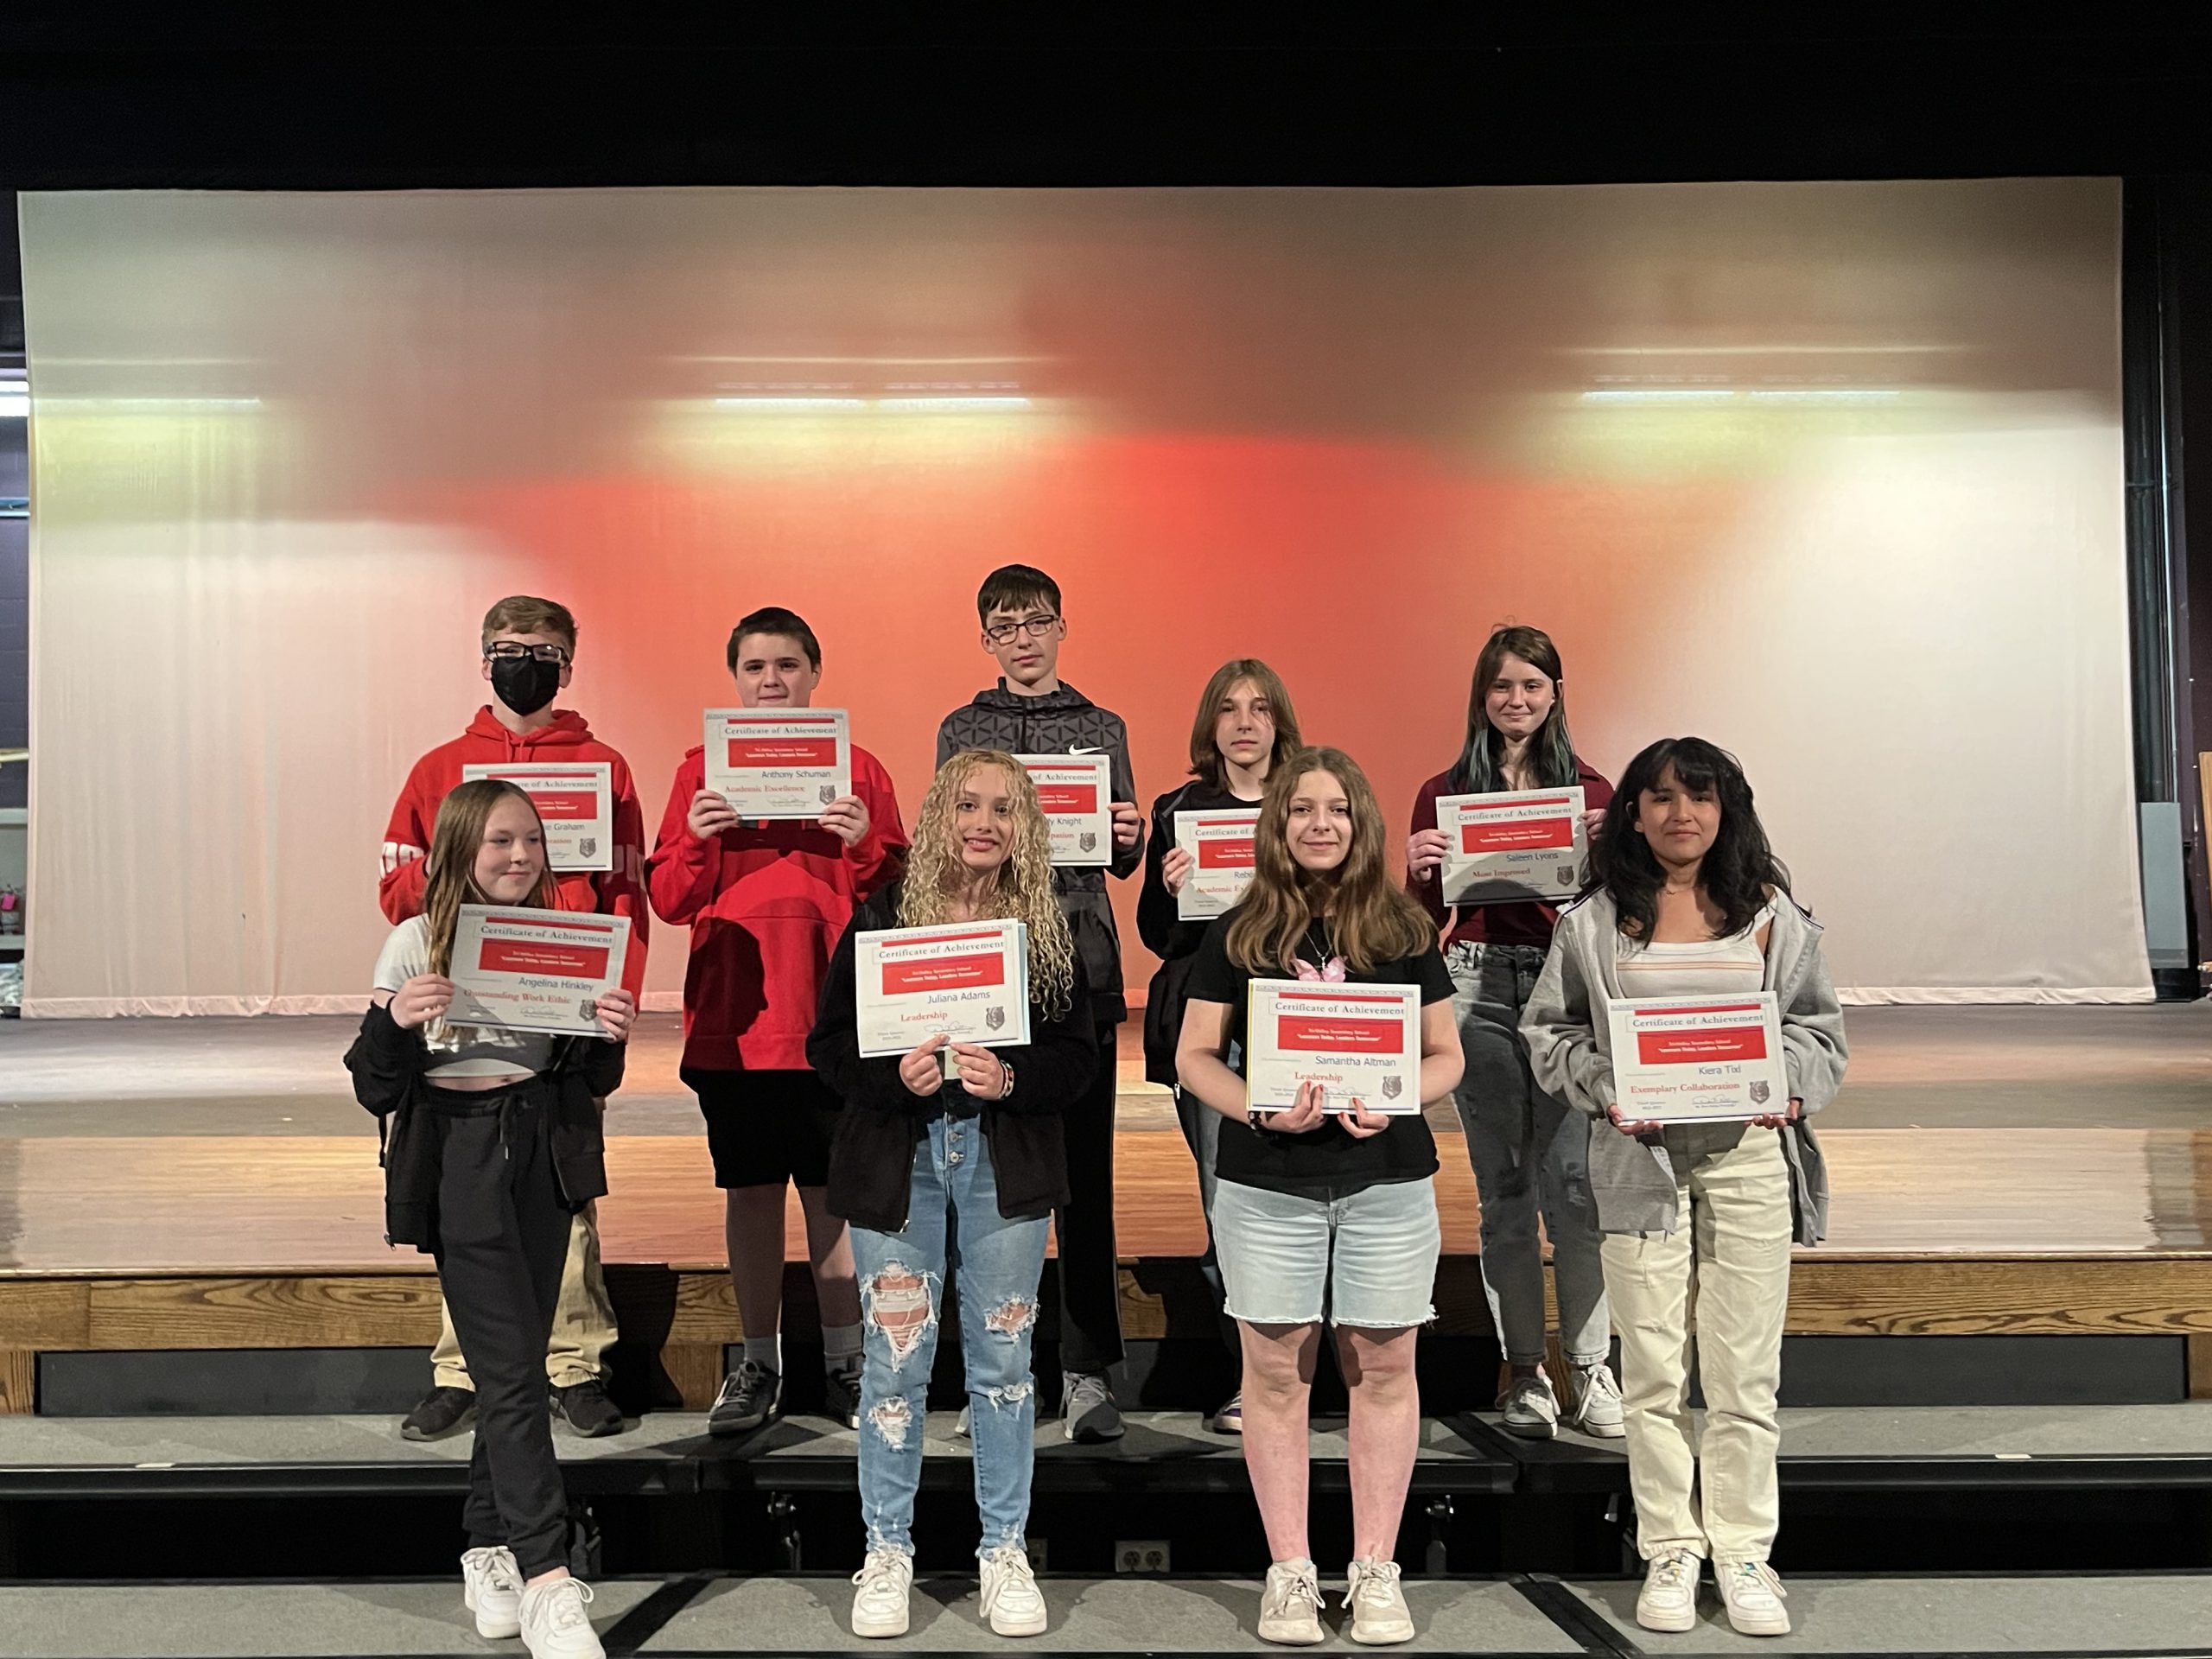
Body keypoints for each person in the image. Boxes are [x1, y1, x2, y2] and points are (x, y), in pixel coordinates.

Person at [1522, 738, 1847, 1638]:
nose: (1679, 814)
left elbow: (1819, 1034)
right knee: (1655, 1368)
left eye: (1698, 797)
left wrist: (1785, 1084)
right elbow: (1549, 1034)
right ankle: (1670, 1546)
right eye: (1660, 797)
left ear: (1725, 808)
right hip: (1638, 1162)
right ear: (1631, 811)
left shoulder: (1772, 916)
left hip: (1747, 1157)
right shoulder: (1593, 921)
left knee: (1743, 1372)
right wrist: (1606, 1088)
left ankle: (1744, 1551)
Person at [1177, 747, 1464, 1648]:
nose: (1318, 824)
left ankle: (1375, 1570)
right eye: (1301, 809)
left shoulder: (1404, 932)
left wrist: (1391, 1097)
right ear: (1278, 824)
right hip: (1268, 1189)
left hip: (1386, 1184)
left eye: (1336, 809)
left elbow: (1446, 1058)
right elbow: (1191, 1061)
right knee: (1272, 1376)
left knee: (1383, 1370)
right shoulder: (1237, 932)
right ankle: (1292, 1573)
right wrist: (1257, 1105)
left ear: (1361, 822)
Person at [810, 749, 1099, 1641]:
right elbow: (829, 1049)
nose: (984, 823)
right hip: (899, 1162)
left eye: (1004, 810)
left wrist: (1012, 1083)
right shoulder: (882, 919)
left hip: (1000, 1162)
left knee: (1004, 1366)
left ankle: (1002, 1549)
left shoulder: (1046, 931)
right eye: (968, 805)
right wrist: (890, 1076)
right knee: (895, 1364)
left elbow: (1079, 1059)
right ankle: (887, 1550)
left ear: (1027, 828)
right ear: (939, 815)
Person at [347, 779, 636, 1659]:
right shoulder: (413, 944)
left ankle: (484, 1550)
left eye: (532, 843)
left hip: (540, 1158)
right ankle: (549, 1579)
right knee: (512, 1378)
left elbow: (589, 1080)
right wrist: (397, 1021)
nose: (519, 858)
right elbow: (374, 1085)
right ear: (460, 851)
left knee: (505, 1360)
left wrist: (610, 1031)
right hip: (460, 1163)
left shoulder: (562, 942)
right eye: (500, 843)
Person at [379, 595, 647, 1442]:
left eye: (541, 650)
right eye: (507, 647)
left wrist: (614, 1000)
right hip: (464, 1014)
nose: (522, 660)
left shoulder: (606, 767)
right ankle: (464, 1368)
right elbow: (395, 888)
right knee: (467, 1198)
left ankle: (572, 1364)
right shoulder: (439, 768)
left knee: (563, 1190)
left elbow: (628, 897)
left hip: (562, 1013)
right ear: (483, 656)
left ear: (569, 663)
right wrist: (470, 892)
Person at [646, 607, 908, 1434]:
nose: (772, 681)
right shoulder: (700, 774)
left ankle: (843, 1360)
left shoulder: (859, 770)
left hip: (837, 1024)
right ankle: (758, 1361)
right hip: (735, 1021)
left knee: (834, 1200)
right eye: (755, 667)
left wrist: (866, 844)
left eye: (788, 665)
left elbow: (901, 898)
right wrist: (694, 841)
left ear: (814, 675)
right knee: (752, 1195)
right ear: (735, 680)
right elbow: (668, 898)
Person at [935, 564, 1142, 1442]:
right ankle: (990, 1370)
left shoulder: (1103, 727)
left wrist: (1129, 835)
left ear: (1063, 627)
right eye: (1006, 624)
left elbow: (1121, 860)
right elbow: (947, 845)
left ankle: (1088, 1372)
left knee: (1085, 1185)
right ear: (985, 638)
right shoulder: (961, 728)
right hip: (988, 970)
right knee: (981, 1185)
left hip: (1081, 969)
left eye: (1038, 621)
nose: (1024, 637)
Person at [1404, 625, 1621, 1441]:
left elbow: (1616, 918)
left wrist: (1614, 859)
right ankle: (1524, 1370)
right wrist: (1419, 874)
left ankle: (1591, 1365)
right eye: (1502, 687)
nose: (1517, 700)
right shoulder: (1443, 791)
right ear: (1481, 697)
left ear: (1556, 693)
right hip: (1477, 989)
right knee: (1504, 1193)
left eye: (1532, 685)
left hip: (1567, 993)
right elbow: (1425, 925)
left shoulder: (1598, 794)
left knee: (1575, 1191)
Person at [1136, 658, 1303, 1436]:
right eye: (1230, 709)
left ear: (1279, 723)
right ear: (1210, 724)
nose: (1244, 722)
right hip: (1208, 1028)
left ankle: (1294, 1374)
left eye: (1260, 709)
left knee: (1298, 1202)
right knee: (1223, 1202)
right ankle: (1248, 1380)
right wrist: (1171, 892)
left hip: (1295, 1026)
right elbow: (1158, 936)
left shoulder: (1310, 803)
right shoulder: (1180, 808)